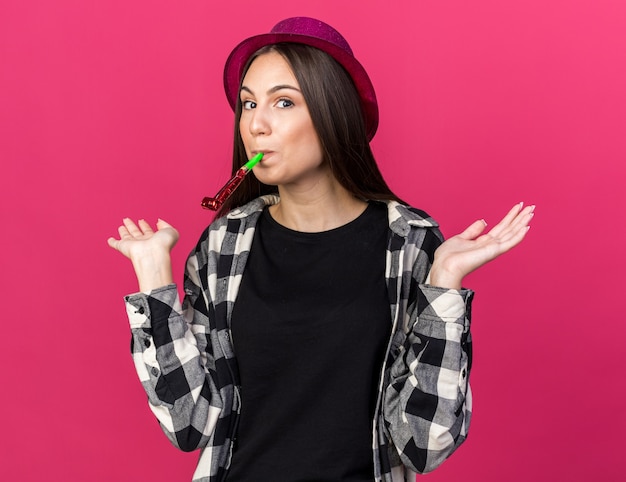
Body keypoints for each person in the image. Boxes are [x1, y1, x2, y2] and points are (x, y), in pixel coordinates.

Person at [107, 17, 534, 482]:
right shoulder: (224, 244)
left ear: (334, 113)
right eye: (248, 104)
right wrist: (153, 280)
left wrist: (445, 285)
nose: (256, 124)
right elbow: (189, 424)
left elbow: (425, 443)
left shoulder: (410, 240)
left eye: (283, 102)